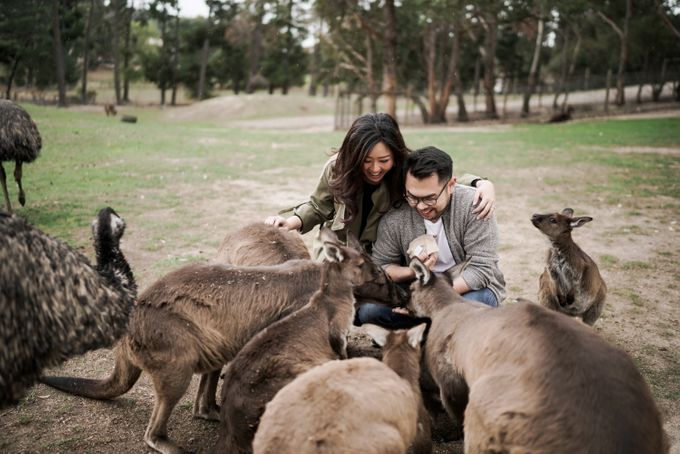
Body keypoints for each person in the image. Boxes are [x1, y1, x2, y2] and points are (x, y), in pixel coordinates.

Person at [264, 113, 496, 259]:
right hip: (337, 250)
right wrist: (291, 222)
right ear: (354, 155)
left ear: (395, 155)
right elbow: (318, 206)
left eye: (384, 161)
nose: (375, 169)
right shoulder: (337, 167)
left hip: (379, 254)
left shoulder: (405, 167)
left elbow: (441, 180)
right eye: (367, 161)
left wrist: (481, 183)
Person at [361, 146, 506, 329]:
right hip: (416, 288)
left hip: (465, 289)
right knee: (370, 311)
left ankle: (431, 330)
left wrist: (430, 299)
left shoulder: (475, 206)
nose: (421, 207)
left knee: (472, 306)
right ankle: (433, 328)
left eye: (430, 198)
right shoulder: (395, 216)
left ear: (451, 185)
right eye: (413, 197)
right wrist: (412, 275)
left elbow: (482, 269)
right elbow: (382, 266)